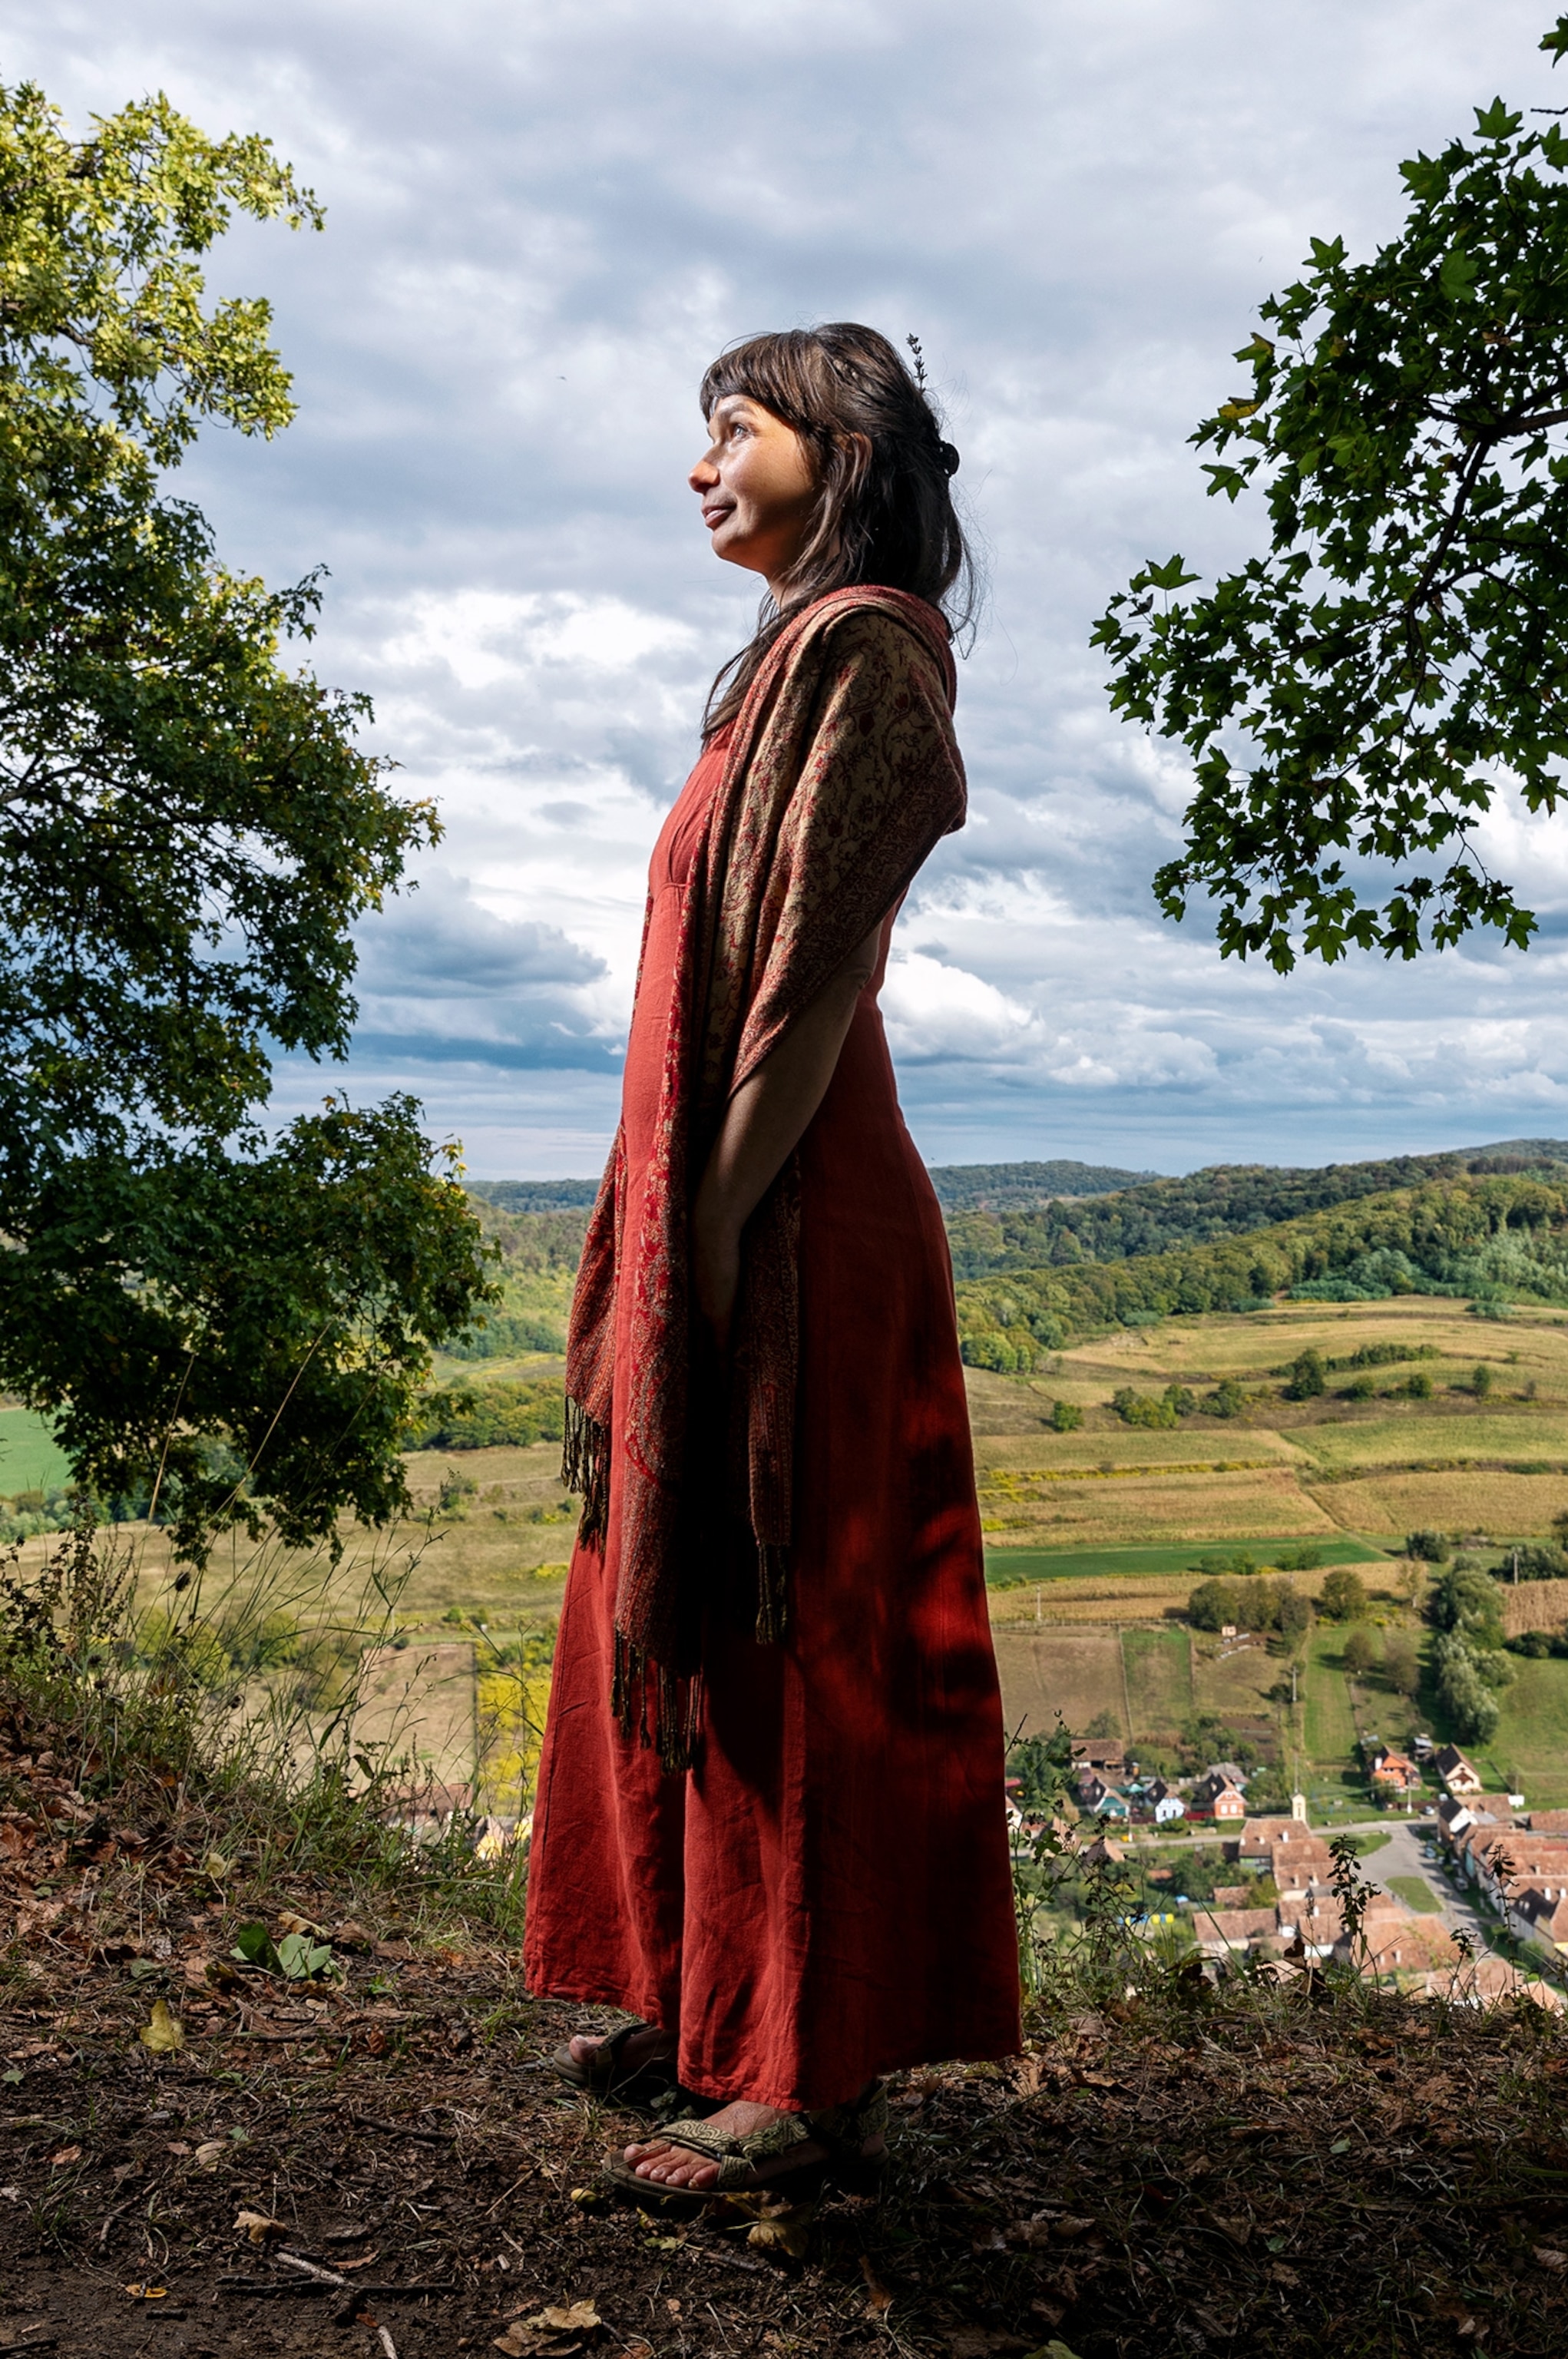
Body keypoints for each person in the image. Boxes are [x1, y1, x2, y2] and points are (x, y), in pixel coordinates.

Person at [523, 323, 1020, 2203]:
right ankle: (708, 2000)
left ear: (842, 443)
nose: (699, 465)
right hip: (720, 1196)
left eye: (732, 429)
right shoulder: (773, 673)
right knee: (697, 1610)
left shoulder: (867, 650)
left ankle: (801, 2079)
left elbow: (812, 989)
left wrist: (714, 1225)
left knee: (800, 1619)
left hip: (795, 1203)